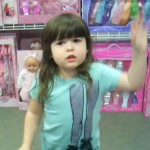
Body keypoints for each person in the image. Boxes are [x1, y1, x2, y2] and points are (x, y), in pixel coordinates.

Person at [18, 12, 147, 150]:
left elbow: (133, 82)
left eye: (76, 40)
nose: (69, 47)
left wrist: (139, 52)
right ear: (50, 50)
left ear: (87, 46)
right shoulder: (45, 77)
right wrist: (26, 144)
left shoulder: (98, 72)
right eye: (60, 42)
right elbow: (34, 112)